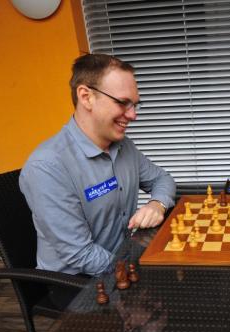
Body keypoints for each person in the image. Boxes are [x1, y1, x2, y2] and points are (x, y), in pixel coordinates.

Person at [20, 53, 176, 276]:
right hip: (77, 286)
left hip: (120, 261)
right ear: (86, 97)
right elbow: (80, 254)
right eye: (123, 103)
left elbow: (162, 179)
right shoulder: (46, 167)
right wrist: (136, 273)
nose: (133, 115)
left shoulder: (123, 146)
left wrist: (157, 204)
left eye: (134, 105)